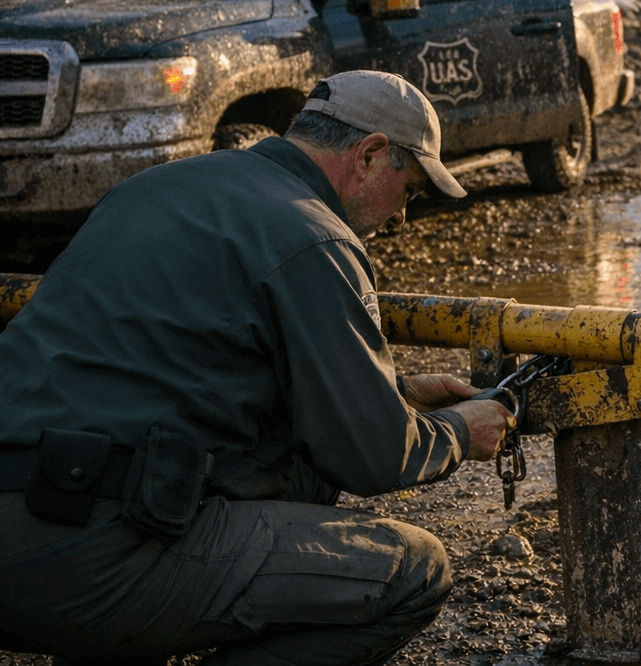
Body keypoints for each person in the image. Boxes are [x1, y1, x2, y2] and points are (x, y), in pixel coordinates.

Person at [0, 70, 516, 666]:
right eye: (411, 190)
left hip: (36, 497)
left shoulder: (151, 188)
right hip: (84, 552)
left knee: (294, 467)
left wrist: (395, 391)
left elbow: (165, 361)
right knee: (414, 572)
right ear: (372, 155)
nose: (403, 216)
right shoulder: (314, 236)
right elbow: (374, 455)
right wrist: (460, 429)